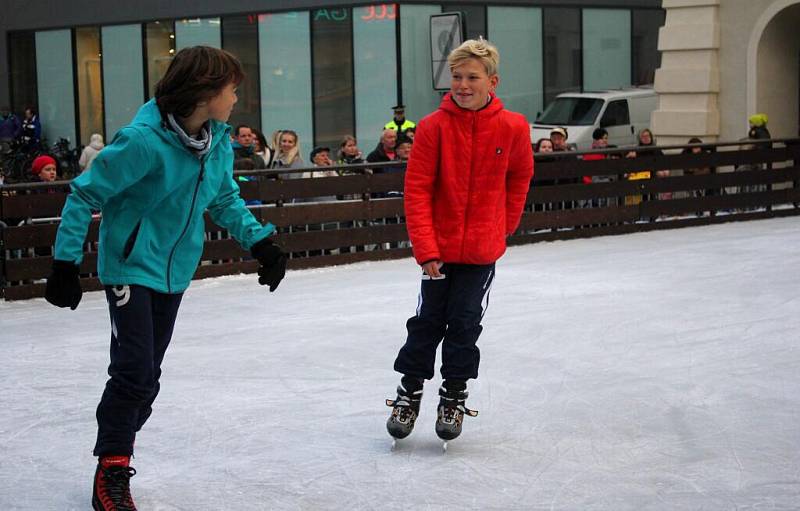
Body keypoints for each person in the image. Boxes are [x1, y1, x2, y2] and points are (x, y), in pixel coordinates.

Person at [42, 46, 288, 511]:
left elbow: (225, 199)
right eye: (231, 89)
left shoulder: (215, 141)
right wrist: (64, 263)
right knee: (133, 371)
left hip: (174, 273)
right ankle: (112, 469)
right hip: (131, 266)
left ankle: (117, 450)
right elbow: (83, 194)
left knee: (147, 380)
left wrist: (260, 243)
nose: (236, 98)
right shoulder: (142, 142)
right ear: (205, 92)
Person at [385, 38, 534, 443]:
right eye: (456, 77)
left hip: (482, 251)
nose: (462, 85)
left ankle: (453, 395)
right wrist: (426, 249)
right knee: (427, 322)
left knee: (465, 324)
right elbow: (416, 190)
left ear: (492, 81)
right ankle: (409, 391)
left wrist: (505, 224)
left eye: (472, 77)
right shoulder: (433, 127)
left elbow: (520, 176)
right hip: (439, 251)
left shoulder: (513, 126)